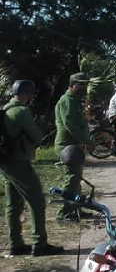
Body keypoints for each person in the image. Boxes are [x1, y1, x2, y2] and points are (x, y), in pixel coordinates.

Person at [1, 80, 63, 256]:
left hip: (6, 162)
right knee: (37, 201)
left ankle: (16, 243)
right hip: (19, 162)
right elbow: (37, 137)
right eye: (31, 94)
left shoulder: (6, 108)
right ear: (27, 94)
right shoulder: (21, 111)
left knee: (13, 204)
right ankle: (40, 243)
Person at [55, 72, 91, 223]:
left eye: (85, 84)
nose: (83, 87)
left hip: (74, 144)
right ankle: (63, 213)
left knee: (76, 180)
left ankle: (76, 209)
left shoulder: (75, 100)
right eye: (80, 84)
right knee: (70, 180)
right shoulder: (67, 100)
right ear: (72, 84)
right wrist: (85, 139)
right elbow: (70, 124)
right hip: (67, 145)